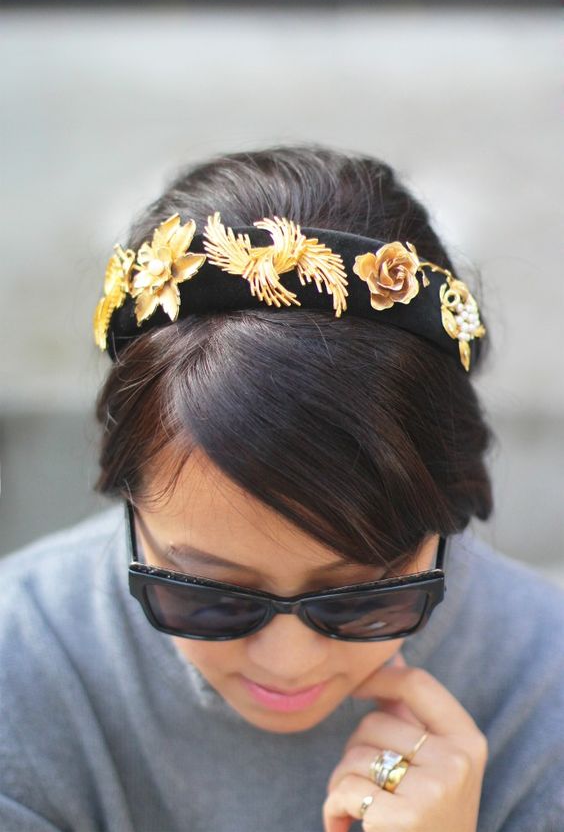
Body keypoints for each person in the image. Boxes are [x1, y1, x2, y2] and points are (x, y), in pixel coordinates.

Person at [1, 145, 562, 832]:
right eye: (206, 595)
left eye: (365, 598)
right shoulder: (21, 663)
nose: (288, 663)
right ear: (125, 493)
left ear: (448, 511)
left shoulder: (544, 686)